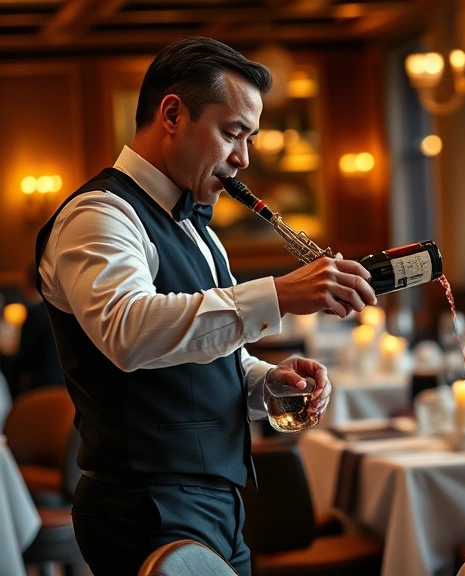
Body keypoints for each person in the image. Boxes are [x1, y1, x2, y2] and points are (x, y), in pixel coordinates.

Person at [35, 37, 377, 575]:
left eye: (250, 139)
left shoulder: (197, 227)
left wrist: (265, 381)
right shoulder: (97, 216)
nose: (243, 158)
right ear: (172, 113)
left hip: (221, 505)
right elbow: (129, 334)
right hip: (146, 506)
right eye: (232, 133)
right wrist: (281, 293)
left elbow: (201, 352)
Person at [6, 263, 64, 397]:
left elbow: (25, 357)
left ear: (29, 284)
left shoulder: (35, 314)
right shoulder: (60, 311)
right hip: (65, 383)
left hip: (41, 386)